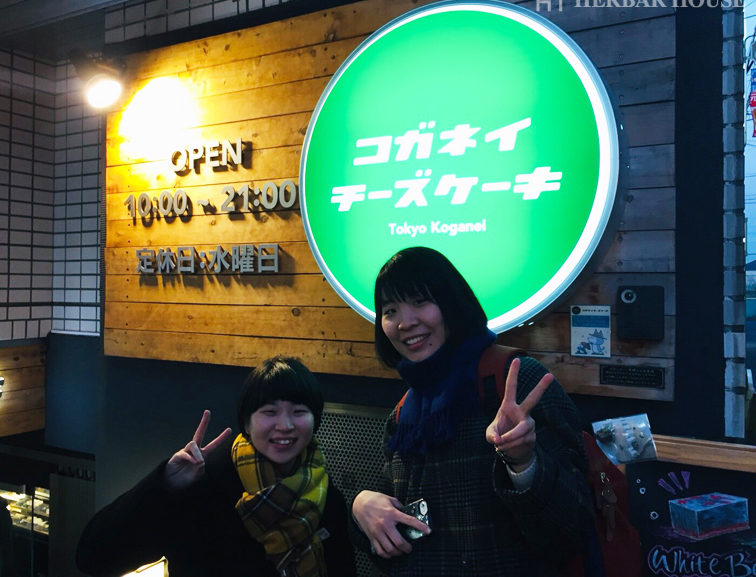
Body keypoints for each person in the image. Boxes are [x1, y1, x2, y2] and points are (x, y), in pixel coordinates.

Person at [350, 247, 593, 576]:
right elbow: (397, 548)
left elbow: (572, 531)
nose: (405, 322)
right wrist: (362, 508)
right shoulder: (404, 413)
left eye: (420, 301)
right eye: (390, 310)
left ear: (451, 302)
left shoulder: (514, 380)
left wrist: (524, 463)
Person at [76, 356, 357, 577]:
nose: (284, 425)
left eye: (298, 412)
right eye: (269, 412)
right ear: (246, 423)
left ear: (315, 420)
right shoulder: (205, 484)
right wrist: (164, 484)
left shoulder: (323, 492)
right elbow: (93, 557)